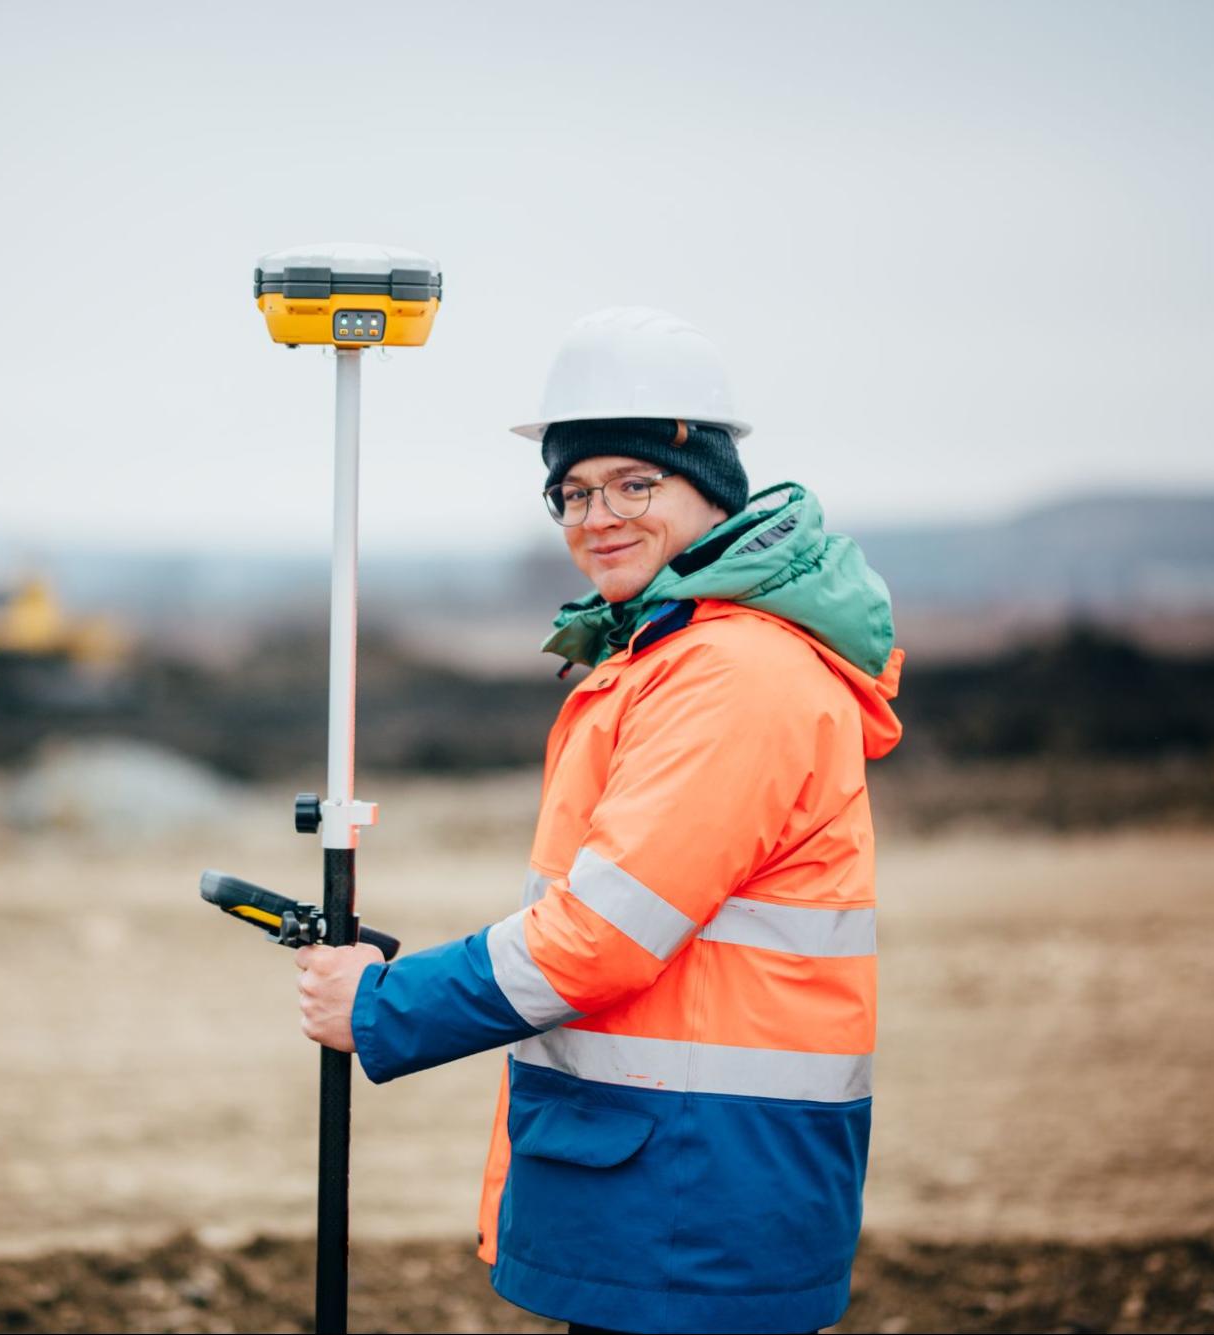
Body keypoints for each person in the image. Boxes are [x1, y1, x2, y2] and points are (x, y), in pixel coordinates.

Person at [296, 307, 905, 1335]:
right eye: (571, 493)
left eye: (633, 484)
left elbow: (605, 933)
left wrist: (381, 1005)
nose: (596, 516)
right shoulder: (659, 657)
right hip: (673, 1170)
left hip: (696, 1183)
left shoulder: (731, 675)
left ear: (710, 490)